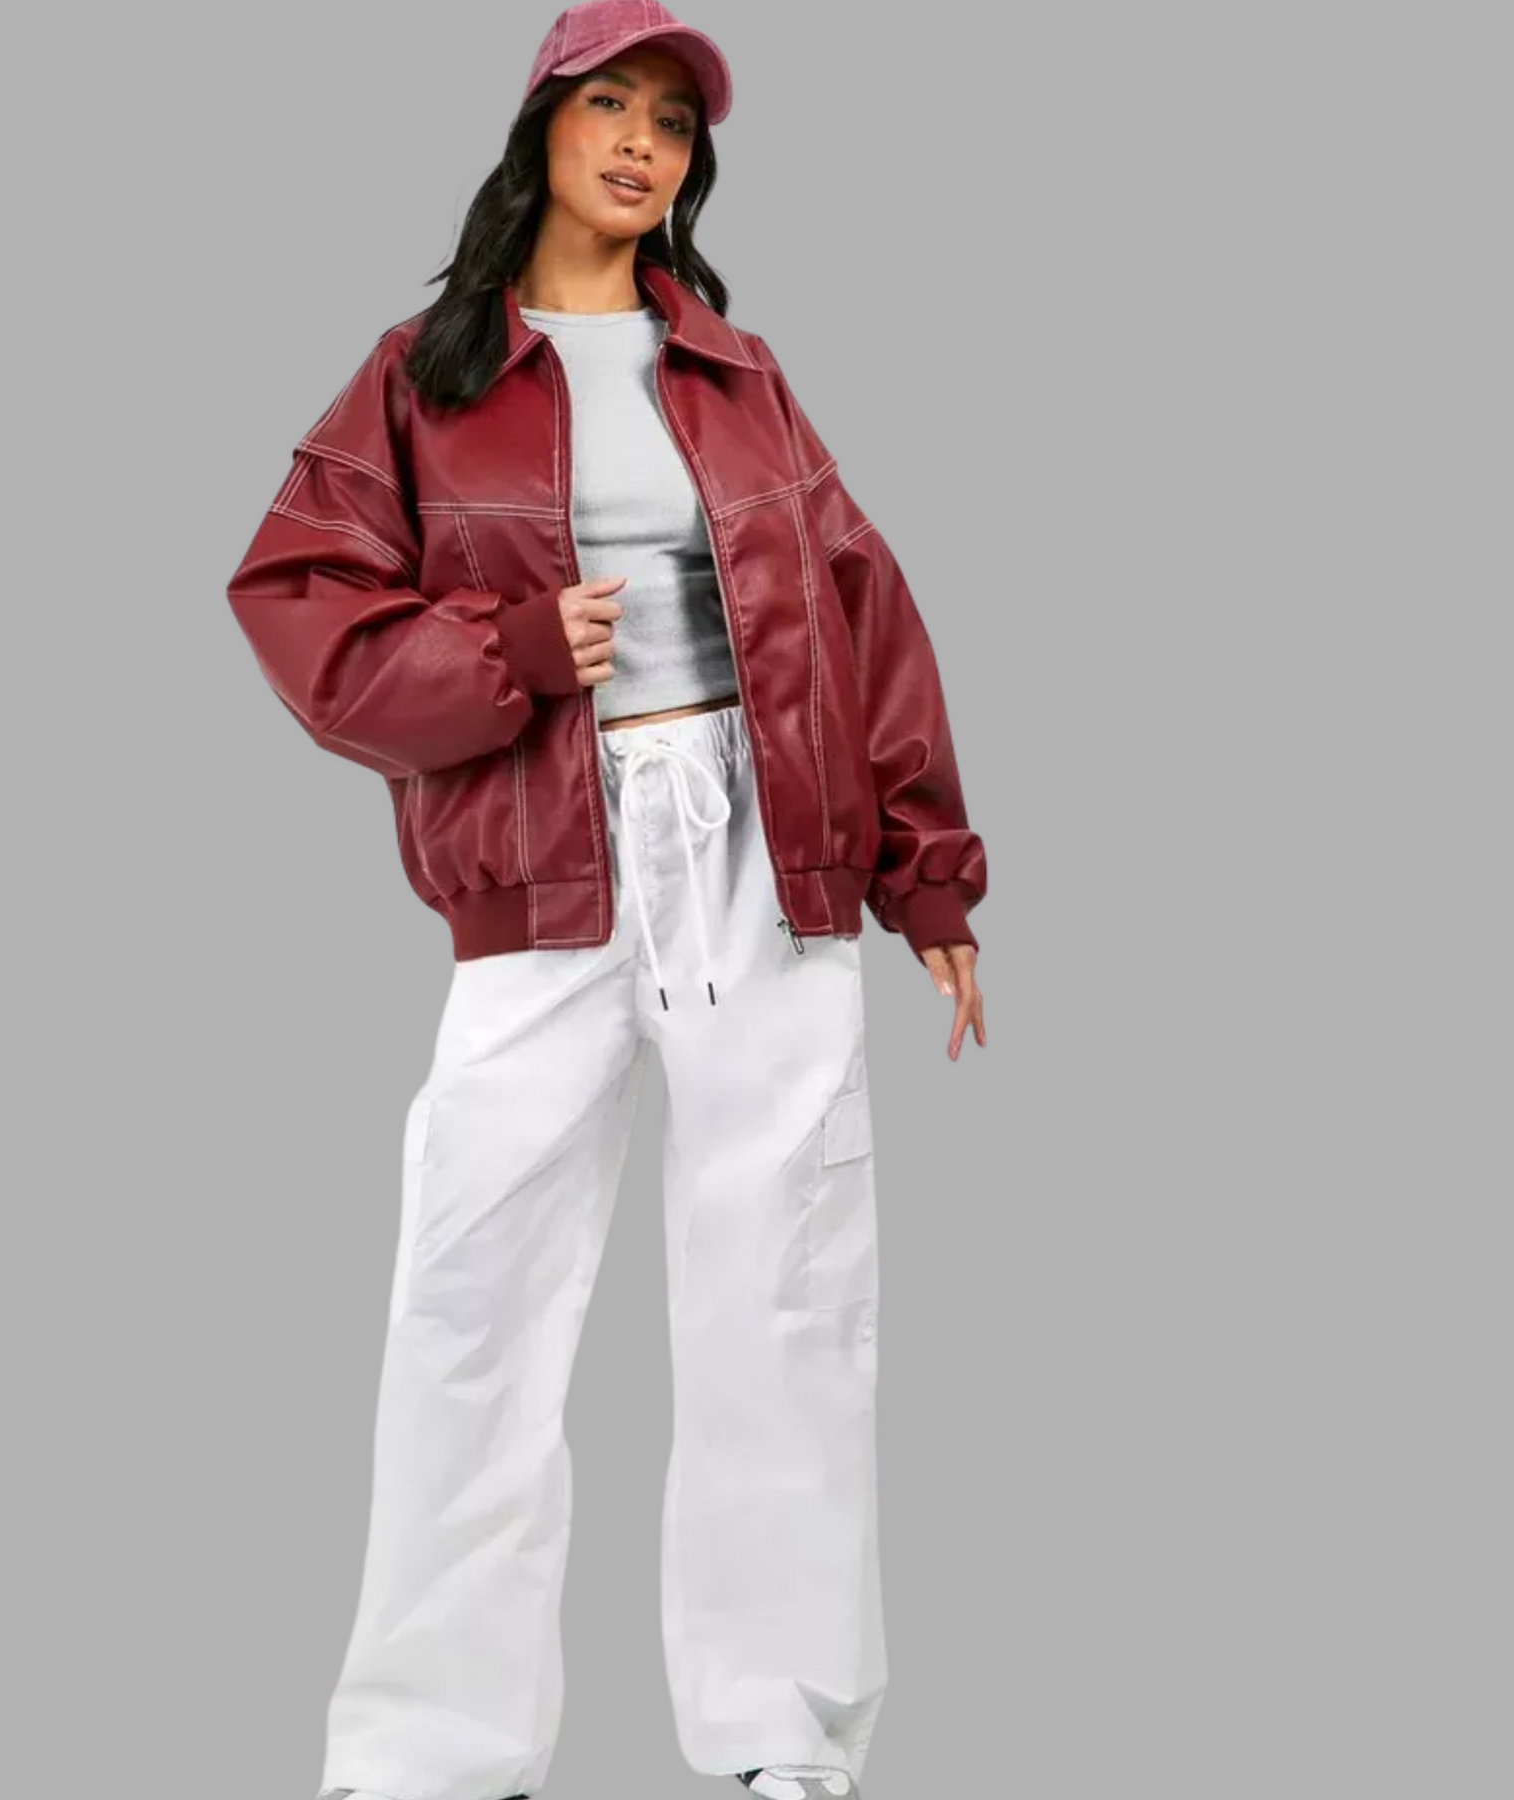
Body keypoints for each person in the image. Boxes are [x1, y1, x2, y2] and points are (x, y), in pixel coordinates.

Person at [224, 5, 988, 1796]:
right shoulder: (424, 376)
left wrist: (930, 874)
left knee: (784, 1290)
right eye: (611, 107)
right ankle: (429, 1752)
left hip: (766, 850)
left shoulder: (736, 372)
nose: (644, 142)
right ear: (541, 133)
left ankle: (781, 1743)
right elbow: (298, 603)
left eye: (674, 122)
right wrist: (500, 648)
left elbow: (863, 611)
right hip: (546, 858)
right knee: (473, 1292)